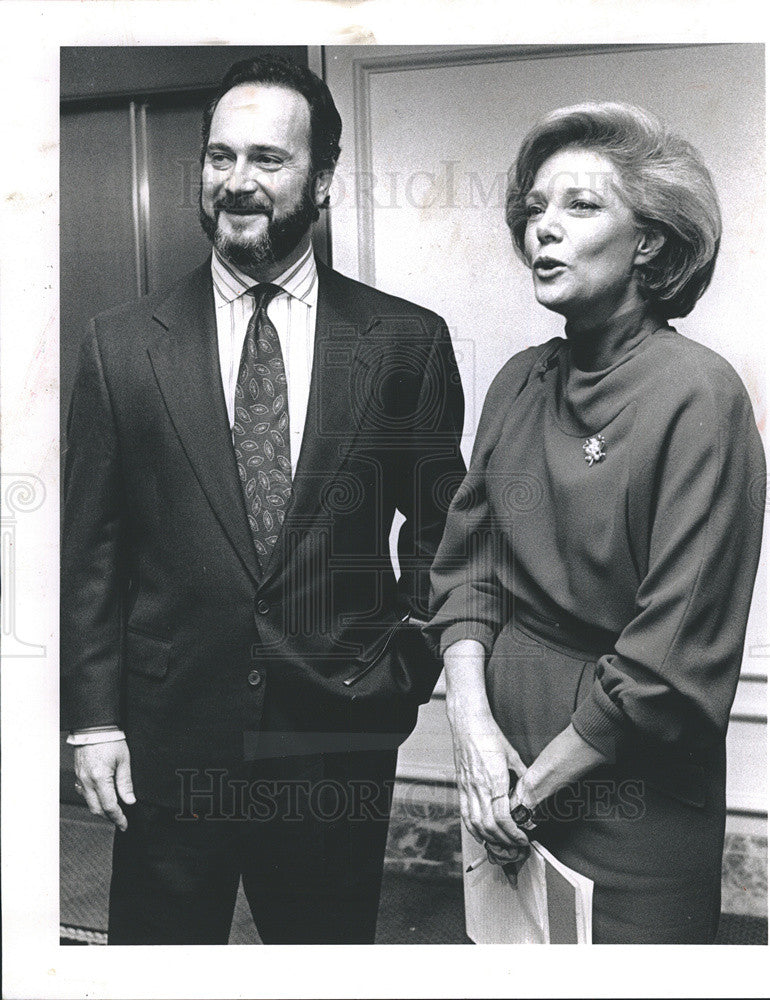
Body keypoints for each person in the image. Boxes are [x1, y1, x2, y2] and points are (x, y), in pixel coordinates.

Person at [61, 55, 465, 945]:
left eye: (267, 160)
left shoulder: (405, 344)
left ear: (322, 179)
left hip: (335, 746)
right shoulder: (119, 347)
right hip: (167, 749)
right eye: (218, 157)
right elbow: (90, 547)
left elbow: (447, 532)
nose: (236, 182)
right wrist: (93, 721)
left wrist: (404, 671)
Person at [428, 102, 765, 944]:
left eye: (580, 207)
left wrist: (530, 790)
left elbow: (669, 662)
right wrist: (472, 731)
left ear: (649, 242)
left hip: (628, 790)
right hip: (499, 758)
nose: (543, 228)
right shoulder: (516, 381)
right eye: (535, 208)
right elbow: (466, 568)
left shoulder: (700, 396)